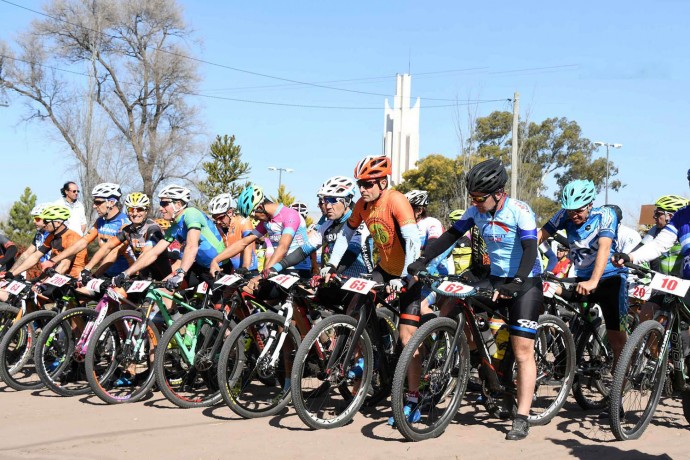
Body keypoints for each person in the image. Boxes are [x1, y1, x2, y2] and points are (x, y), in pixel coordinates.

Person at [404, 158, 542, 440]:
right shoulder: (475, 211)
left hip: (525, 280)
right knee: (454, 301)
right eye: (473, 197)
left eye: (481, 197)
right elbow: (450, 236)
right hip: (494, 276)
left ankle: (522, 415)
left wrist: (517, 281)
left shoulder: (520, 211)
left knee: (522, 351)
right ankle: (475, 355)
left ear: (499, 193)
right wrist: (423, 259)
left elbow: (530, 249)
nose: (476, 202)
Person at [538, 179, 628, 417]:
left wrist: (594, 282)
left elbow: (605, 247)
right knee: (548, 291)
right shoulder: (563, 215)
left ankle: (616, 397)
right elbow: (539, 235)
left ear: (590, 204)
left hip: (610, 279)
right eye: (569, 210)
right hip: (584, 278)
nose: (573, 215)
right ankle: (568, 349)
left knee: (617, 339)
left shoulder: (605, 215)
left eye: (578, 210)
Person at [323, 155, 419, 288]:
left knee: (408, 309)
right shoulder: (362, 205)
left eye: (367, 184)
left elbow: (413, 241)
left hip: (408, 271)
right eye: (360, 184)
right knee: (359, 300)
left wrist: (405, 277)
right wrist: (332, 265)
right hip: (384, 269)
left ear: (383, 183)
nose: (362, 189)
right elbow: (345, 235)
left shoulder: (396, 200)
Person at [112, 185, 225, 293]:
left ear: (178, 204)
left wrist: (180, 273)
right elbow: (154, 253)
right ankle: (175, 313)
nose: (161, 208)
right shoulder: (175, 226)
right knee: (163, 291)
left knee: (224, 308)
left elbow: (192, 246)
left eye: (164, 204)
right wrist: (126, 273)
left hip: (220, 266)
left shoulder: (191, 214)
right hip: (199, 266)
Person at [210, 184, 311, 299]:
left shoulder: (289, 215)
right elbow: (244, 242)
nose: (254, 219)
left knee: (249, 290)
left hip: (297, 269)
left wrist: (264, 273)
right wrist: (216, 260)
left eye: (253, 215)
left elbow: (283, 247)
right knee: (238, 291)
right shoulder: (266, 222)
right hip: (279, 269)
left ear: (259, 208)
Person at [612, 190, 690, 321]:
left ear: (669, 215)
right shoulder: (670, 223)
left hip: (683, 280)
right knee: (648, 311)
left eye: (658, 213)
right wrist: (629, 256)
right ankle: (646, 340)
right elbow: (653, 246)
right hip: (670, 282)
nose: (654, 217)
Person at [0, 205, 87, 304]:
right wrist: (12, 273)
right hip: (55, 275)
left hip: (72, 279)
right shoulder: (51, 236)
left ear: (58, 223)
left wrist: (44, 283)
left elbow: (64, 265)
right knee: (26, 294)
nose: (44, 224)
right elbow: (35, 256)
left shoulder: (72, 237)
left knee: (40, 298)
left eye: (46, 221)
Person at [80, 193, 171, 283]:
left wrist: (126, 273)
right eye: (131, 209)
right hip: (143, 278)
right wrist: (87, 268)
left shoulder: (153, 228)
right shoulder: (128, 230)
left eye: (139, 209)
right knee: (110, 295)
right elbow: (107, 246)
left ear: (146, 211)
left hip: (161, 280)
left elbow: (146, 254)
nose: (135, 213)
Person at [47, 183, 130, 279]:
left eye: (98, 202)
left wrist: (90, 272)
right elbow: (82, 242)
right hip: (106, 272)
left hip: (124, 273)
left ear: (111, 202)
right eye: (94, 202)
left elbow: (114, 252)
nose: (94, 206)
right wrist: (53, 261)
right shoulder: (100, 221)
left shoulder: (125, 222)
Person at [208, 193, 257, 273]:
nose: (218, 221)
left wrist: (245, 267)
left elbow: (248, 245)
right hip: (233, 271)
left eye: (220, 217)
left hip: (249, 270)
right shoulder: (219, 227)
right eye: (215, 218)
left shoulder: (243, 222)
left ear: (230, 212)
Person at [404, 190, 450, 276]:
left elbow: (433, 244)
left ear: (419, 210)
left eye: (407, 209)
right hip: (413, 272)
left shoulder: (431, 222)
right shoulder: (405, 226)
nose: (403, 212)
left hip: (435, 272)